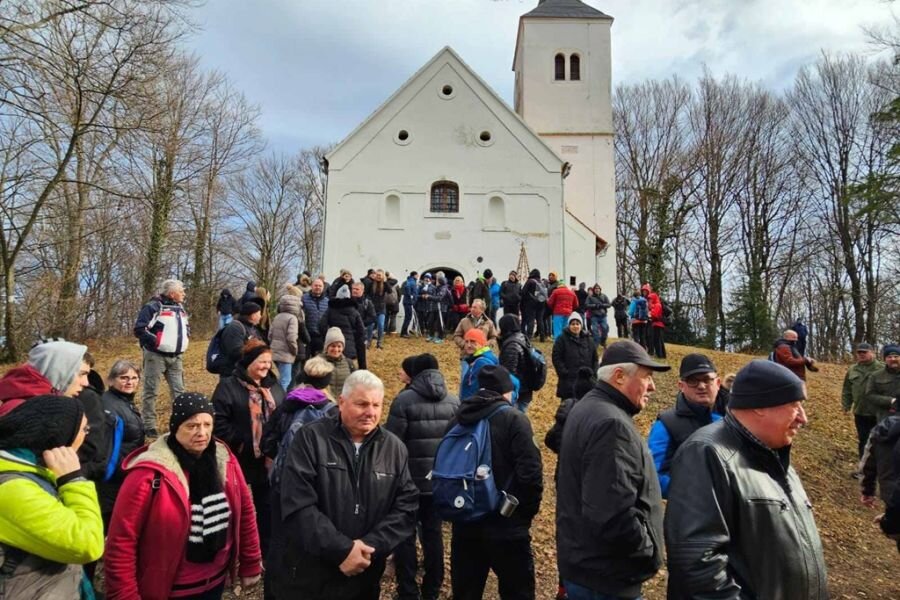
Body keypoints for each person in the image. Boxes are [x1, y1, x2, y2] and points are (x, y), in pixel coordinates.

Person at [664, 360, 828, 599]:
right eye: (794, 405)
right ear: (760, 405)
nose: (803, 418)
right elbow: (697, 563)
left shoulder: (775, 457)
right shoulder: (706, 453)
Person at [104, 392, 262, 599]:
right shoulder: (148, 474)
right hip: (173, 590)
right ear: (174, 428)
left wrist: (250, 561)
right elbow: (122, 542)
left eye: (207, 424)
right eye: (192, 425)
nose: (201, 433)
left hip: (215, 583)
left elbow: (245, 512)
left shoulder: (224, 459)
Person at [277, 370, 419, 599]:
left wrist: (367, 548)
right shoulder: (310, 439)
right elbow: (297, 503)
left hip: (365, 573)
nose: (370, 412)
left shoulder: (394, 448)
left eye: (376, 405)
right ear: (341, 402)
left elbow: (405, 508)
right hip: (312, 574)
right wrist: (341, 550)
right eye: (362, 404)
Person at [556, 340, 669, 600]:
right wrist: (648, 549)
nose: (652, 385)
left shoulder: (589, 408)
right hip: (606, 577)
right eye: (647, 377)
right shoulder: (611, 424)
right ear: (619, 376)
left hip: (588, 567)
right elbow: (611, 513)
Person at [448, 365, 543, 600]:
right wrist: (524, 515)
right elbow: (530, 473)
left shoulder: (458, 418)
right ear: (505, 392)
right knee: (517, 592)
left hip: (466, 521)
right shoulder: (514, 419)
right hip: (506, 524)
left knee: (466, 592)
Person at [0, 395, 104, 598]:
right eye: (84, 430)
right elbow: (87, 544)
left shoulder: (31, 470)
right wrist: (73, 480)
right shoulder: (13, 487)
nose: (87, 436)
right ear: (60, 436)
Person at [386, 354, 459, 600]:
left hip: (408, 481)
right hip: (439, 481)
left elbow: (391, 444)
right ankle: (432, 588)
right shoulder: (453, 402)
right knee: (433, 533)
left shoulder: (403, 401)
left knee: (404, 535)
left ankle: (407, 590)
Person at [212, 340, 285, 562]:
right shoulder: (228, 386)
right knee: (235, 507)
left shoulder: (274, 386)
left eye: (268, 362)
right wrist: (242, 441)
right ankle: (230, 553)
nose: (265, 366)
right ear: (248, 362)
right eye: (261, 361)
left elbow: (283, 415)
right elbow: (219, 421)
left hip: (267, 458)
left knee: (267, 507)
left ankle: (265, 551)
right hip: (239, 457)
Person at [647, 353, 723, 498]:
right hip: (689, 515)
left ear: (718, 383)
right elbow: (654, 476)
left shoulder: (726, 420)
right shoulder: (665, 425)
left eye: (707, 380)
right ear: (681, 386)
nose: (701, 386)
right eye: (692, 381)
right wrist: (696, 492)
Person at [133, 279, 189, 436]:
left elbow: (185, 327)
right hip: (156, 356)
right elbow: (140, 329)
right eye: (181, 291)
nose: (184, 293)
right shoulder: (153, 306)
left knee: (179, 392)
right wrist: (157, 342)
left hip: (176, 357)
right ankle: (149, 425)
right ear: (172, 293)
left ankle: (181, 422)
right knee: (151, 391)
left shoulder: (180, 308)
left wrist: (186, 338)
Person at [97, 360, 145, 528]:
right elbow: (106, 448)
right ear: (111, 380)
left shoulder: (124, 402)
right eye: (123, 377)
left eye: (134, 378)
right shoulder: (109, 406)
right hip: (111, 480)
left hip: (124, 473)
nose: (129, 382)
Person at [0, 339, 90, 417]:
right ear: (57, 371)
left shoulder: (48, 406)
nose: (86, 383)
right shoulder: (19, 410)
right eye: (81, 374)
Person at [842, 342, 884, 462]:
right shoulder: (852, 369)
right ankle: (863, 469)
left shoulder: (882, 368)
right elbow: (847, 389)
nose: (861, 355)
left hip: (878, 412)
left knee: (880, 441)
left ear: (872, 353)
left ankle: (880, 470)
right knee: (864, 441)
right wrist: (846, 405)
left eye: (864, 352)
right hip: (860, 412)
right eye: (859, 353)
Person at [551, 313, 598, 401]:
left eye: (577, 324)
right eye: (573, 324)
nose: (575, 326)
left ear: (581, 325)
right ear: (569, 325)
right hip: (568, 380)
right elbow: (556, 357)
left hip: (587, 381)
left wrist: (594, 373)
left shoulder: (589, 340)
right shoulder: (561, 339)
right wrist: (564, 372)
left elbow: (595, 358)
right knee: (568, 406)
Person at [320, 284, 367, 369]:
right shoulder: (354, 311)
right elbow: (361, 331)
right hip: (350, 346)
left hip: (333, 344)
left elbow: (321, 325)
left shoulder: (330, 310)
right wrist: (354, 339)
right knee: (348, 369)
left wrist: (328, 337)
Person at [217, 299, 266, 378]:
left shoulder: (252, 328)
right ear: (253, 315)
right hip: (232, 374)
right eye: (259, 314)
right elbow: (235, 352)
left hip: (245, 373)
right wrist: (254, 351)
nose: (261, 316)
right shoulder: (235, 328)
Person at [270, 293, 309, 391]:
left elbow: (270, 335)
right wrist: (294, 351)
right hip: (286, 355)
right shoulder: (293, 319)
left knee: (276, 379)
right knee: (285, 380)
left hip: (274, 352)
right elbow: (291, 338)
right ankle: (280, 402)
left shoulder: (277, 316)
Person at [499, 314, 534, 412]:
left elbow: (509, 372)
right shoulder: (522, 337)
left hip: (518, 391)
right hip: (525, 388)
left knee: (514, 419)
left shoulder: (512, 345)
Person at [315, 327, 356, 400]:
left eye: (339, 346)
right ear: (327, 347)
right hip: (324, 406)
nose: (336, 349)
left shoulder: (349, 363)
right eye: (333, 346)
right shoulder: (318, 362)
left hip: (343, 405)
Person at [460, 328, 500, 400]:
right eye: (466, 342)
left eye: (473, 341)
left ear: (482, 343)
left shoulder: (481, 363)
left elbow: (474, 390)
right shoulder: (481, 358)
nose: (468, 345)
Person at [864, 344, 900, 423]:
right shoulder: (875, 375)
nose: (893, 359)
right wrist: (891, 401)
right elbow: (869, 394)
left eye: (896, 356)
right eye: (889, 357)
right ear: (885, 359)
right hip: (884, 418)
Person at [303, 278, 330, 357]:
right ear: (312, 286)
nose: (318, 287)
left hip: (321, 337)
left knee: (319, 361)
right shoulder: (303, 298)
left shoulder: (327, 301)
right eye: (316, 285)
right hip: (307, 336)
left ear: (323, 287)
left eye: (320, 286)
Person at [521, 269, 546, 342]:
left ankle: (529, 336)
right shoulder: (542, 282)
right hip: (541, 303)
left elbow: (523, 292)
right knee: (540, 320)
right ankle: (542, 337)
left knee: (531, 320)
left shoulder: (530, 281)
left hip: (531, 304)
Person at [352, 281, 378, 348]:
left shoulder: (367, 303)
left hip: (362, 329)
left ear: (362, 291)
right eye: (353, 289)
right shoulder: (346, 301)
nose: (354, 291)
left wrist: (360, 324)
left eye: (357, 289)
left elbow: (372, 317)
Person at [367, 269, 388, 349]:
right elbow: (366, 293)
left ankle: (379, 343)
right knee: (370, 325)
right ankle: (368, 342)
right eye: (377, 275)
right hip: (372, 308)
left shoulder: (385, 284)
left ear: (382, 276)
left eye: (380, 275)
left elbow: (389, 291)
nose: (378, 276)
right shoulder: (371, 283)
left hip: (381, 308)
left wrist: (385, 281)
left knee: (381, 324)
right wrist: (368, 301)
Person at [647, 291, 667, 358]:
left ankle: (660, 355)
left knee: (657, 341)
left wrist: (650, 314)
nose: (650, 300)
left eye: (651, 299)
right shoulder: (656, 305)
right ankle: (662, 355)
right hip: (656, 324)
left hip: (658, 325)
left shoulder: (657, 305)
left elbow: (655, 315)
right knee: (659, 341)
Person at [400, 271, 419, 337]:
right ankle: (403, 333)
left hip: (407, 302)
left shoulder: (410, 280)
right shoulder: (412, 281)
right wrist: (410, 295)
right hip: (409, 302)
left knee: (408, 317)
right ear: (414, 275)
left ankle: (404, 332)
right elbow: (408, 287)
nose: (418, 276)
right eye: (417, 275)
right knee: (408, 317)